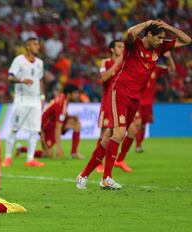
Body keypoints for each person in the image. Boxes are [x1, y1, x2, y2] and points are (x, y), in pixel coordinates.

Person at [76, 20, 191, 190]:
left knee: (109, 136)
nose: (161, 41)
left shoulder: (160, 48)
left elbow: (187, 40)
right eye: (158, 38)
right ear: (149, 35)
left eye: (163, 39)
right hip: (121, 92)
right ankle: (106, 178)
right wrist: (147, 23)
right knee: (120, 133)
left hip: (136, 98)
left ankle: (83, 175)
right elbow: (130, 32)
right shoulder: (134, 44)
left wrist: (167, 27)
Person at [114, 51, 176, 172]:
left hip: (148, 103)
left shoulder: (156, 69)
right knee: (135, 126)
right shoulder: (136, 66)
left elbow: (172, 69)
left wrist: (169, 57)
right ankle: (118, 158)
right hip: (135, 101)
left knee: (141, 126)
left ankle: (132, 149)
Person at [2, 37, 45, 167]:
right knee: (15, 128)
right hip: (22, 99)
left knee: (34, 130)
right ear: (28, 46)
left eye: (38, 44)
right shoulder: (19, 60)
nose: (38, 47)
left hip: (36, 100)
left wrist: (42, 97)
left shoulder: (39, 63)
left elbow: (40, 80)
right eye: (35, 44)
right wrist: (21, 81)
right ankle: (8, 157)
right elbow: (10, 77)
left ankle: (30, 159)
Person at [15, 84, 83, 159]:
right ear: (69, 94)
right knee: (48, 154)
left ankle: (74, 153)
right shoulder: (61, 102)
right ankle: (22, 149)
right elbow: (58, 128)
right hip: (46, 128)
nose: (77, 95)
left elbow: (61, 114)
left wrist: (71, 117)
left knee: (76, 124)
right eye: (75, 93)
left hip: (53, 124)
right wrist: (59, 148)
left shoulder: (64, 99)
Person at [95, 40, 124, 173]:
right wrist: (117, 64)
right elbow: (103, 78)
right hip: (108, 101)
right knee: (104, 133)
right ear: (112, 49)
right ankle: (98, 163)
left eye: (123, 47)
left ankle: (115, 161)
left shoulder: (126, 63)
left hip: (121, 101)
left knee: (119, 133)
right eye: (119, 46)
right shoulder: (105, 62)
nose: (122, 49)